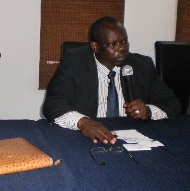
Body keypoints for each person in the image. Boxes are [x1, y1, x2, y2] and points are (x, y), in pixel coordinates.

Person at [43, 16, 181, 144]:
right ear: (95, 46)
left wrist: (148, 111)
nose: (121, 48)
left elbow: (172, 104)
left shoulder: (142, 65)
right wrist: (83, 122)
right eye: (112, 44)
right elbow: (53, 104)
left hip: (131, 138)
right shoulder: (74, 63)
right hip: (87, 138)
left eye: (124, 41)